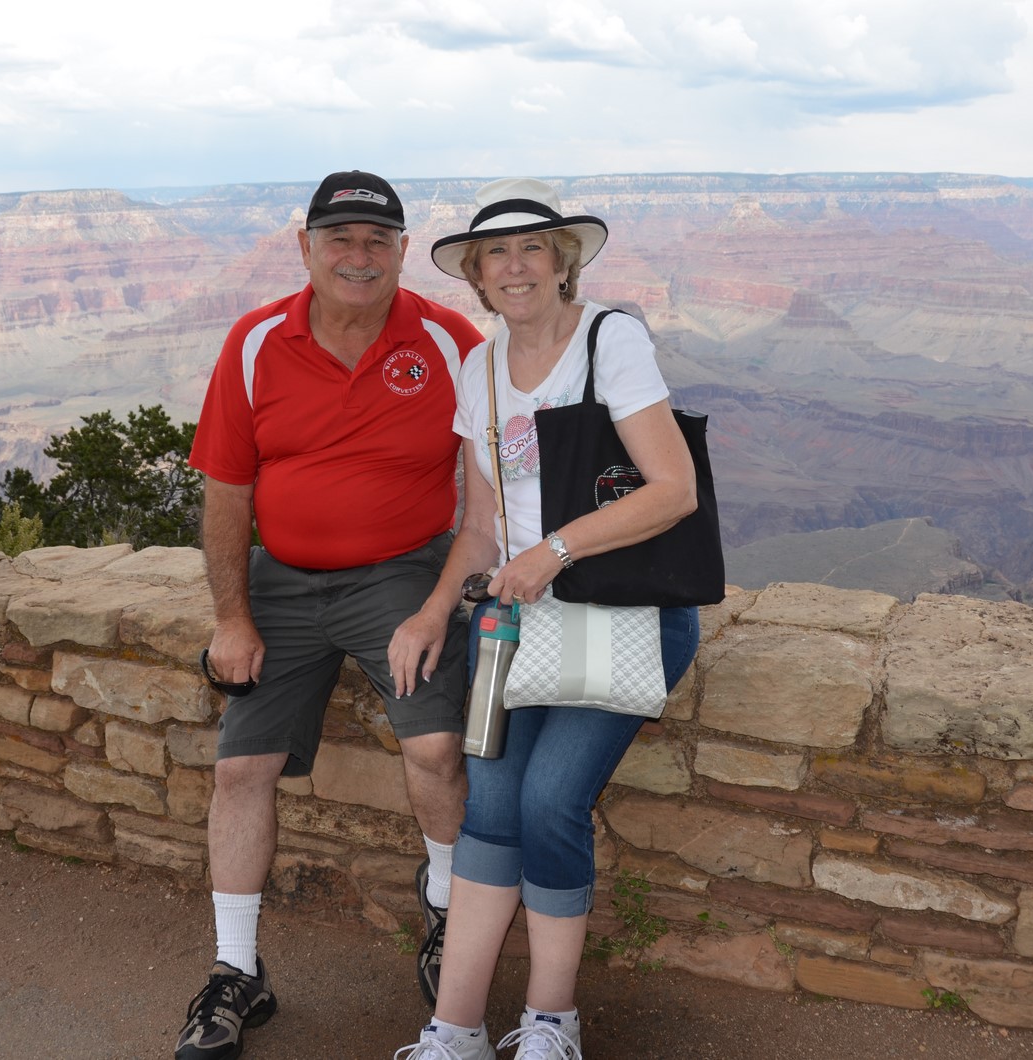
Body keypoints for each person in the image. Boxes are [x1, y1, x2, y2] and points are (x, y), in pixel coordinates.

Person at [388, 178, 702, 1060]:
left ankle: (551, 1023)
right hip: (525, 625)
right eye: (497, 255)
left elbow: (673, 491)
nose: (516, 267)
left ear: (562, 263)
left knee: (552, 801)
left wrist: (552, 553)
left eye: (533, 250)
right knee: (491, 804)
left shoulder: (611, 340)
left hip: (627, 616)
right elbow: (482, 526)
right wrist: (431, 610)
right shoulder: (479, 368)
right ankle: (454, 1033)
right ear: (478, 279)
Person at [177, 171, 485, 1060]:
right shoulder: (256, 341)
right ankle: (237, 972)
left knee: (433, 747)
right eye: (340, 238)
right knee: (242, 770)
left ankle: (446, 914)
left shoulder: (446, 338)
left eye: (377, 240)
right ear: (304, 244)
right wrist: (232, 619)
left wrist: (446, 598)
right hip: (282, 581)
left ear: (400, 249)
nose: (359, 256)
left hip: (401, 576)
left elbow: (494, 480)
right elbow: (228, 493)